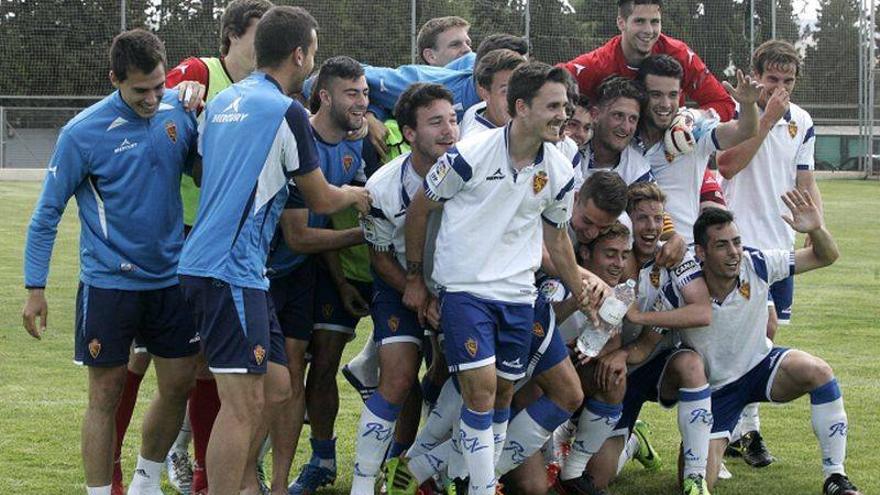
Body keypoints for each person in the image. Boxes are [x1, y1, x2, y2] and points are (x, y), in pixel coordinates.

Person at [176, 7, 370, 495]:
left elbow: (202, 172)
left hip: (226, 266)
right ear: (299, 55)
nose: (314, 60)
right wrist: (360, 196)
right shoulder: (287, 111)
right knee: (241, 407)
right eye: (314, 51)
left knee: (279, 386)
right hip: (231, 271)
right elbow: (324, 198)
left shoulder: (225, 101)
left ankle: (246, 485)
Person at [402, 62, 599, 495]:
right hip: (465, 290)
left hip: (518, 296)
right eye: (552, 106)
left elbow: (559, 240)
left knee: (504, 396)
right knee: (481, 394)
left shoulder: (562, 173)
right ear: (521, 107)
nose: (562, 115)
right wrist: (416, 277)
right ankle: (481, 486)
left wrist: (582, 290)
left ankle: (436, 469)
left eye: (564, 106)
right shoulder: (468, 155)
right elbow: (420, 209)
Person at [102, 4, 274, 494]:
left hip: (221, 246)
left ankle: (201, 473)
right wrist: (178, 95)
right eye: (261, 34)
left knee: (205, 364)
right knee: (138, 360)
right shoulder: (200, 72)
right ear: (233, 36)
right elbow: (145, 111)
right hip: (173, 239)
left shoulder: (266, 91)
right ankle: (115, 472)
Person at [22, 29, 201, 495]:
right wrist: (34, 288)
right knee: (105, 395)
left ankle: (146, 480)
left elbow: (204, 173)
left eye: (159, 85)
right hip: (109, 285)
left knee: (180, 383)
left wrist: (201, 111)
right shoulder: (82, 133)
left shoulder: (179, 113)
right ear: (114, 79)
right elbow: (46, 214)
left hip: (171, 279)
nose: (152, 97)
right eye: (140, 89)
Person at [688, 199, 860, 495]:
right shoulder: (684, 281)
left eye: (737, 242)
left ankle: (835, 477)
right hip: (717, 390)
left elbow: (826, 256)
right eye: (722, 246)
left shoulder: (756, 263)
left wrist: (816, 229)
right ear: (701, 252)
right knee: (695, 480)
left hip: (761, 366)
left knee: (817, 371)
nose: (734, 253)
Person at [717, 39, 824, 466]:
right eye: (772, 79)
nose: (780, 88)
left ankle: (742, 431)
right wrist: (766, 118)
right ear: (755, 75)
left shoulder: (803, 121)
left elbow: (805, 181)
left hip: (780, 245)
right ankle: (746, 430)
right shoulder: (735, 114)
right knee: (751, 337)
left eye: (788, 81)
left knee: (763, 337)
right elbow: (728, 166)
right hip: (738, 242)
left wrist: (817, 225)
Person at [349, 82, 459, 495]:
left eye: (452, 120)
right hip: (398, 285)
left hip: (456, 289)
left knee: (463, 378)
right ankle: (363, 482)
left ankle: (421, 466)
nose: (449, 131)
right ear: (409, 134)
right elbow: (379, 255)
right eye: (435, 123)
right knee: (397, 379)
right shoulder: (382, 186)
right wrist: (418, 291)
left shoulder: (470, 171)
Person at [278, 56, 371, 495]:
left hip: (319, 266)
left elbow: (327, 224)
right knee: (276, 374)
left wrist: (341, 280)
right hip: (277, 266)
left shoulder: (356, 145)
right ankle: (253, 464)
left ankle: (321, 459)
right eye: (352, 93)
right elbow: (300, 235)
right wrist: (363, 234)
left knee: (324, 363)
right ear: (325, 96)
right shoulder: (297, 138)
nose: (362, 102)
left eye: (365, 93)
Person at [584, 182, 714, 495]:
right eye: (642, 218)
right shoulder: (611, 259)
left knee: (692, 365)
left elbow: (702, 312)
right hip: (619, 371)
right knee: (596, 478)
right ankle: (632, 442)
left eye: (658, 219)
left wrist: (641, 318)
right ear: (628, 220)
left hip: (657, 363)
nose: (651, 227)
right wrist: (623, 353)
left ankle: (695, 478)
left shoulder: (673, 257)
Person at [632, 54, 760, 245]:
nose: (666, 104)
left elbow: (744, 131)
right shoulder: (624, 135)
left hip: (684, 255)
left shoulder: (693, 132)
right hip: (634, 255)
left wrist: (748, 105)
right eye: (656, 95)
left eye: (673, 95)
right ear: (642, 94)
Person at [561, 0, 735, 122]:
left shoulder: (679, 54)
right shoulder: (598, 64)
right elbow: (549, 83)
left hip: (669, 151)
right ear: (621, 23)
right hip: (615, 158)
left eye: (655, 22)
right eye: (639, 21)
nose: (649, 30)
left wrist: (690, 119)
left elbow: (723, 104)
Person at [459, 48, 527, 139]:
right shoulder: (478, 145)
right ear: (484, 93)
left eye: (522, 87)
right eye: (506, 91)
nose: (518, 98)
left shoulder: (476, 109)